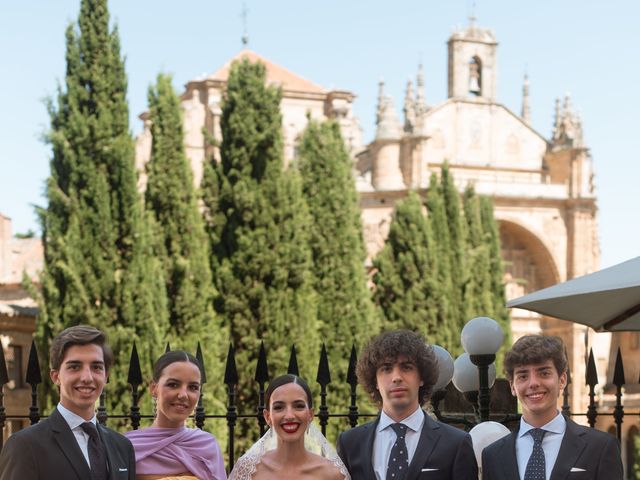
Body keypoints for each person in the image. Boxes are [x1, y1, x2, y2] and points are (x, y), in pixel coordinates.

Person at [337, 329, 478, 480]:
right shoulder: (350, 443)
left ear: (422, 377)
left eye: (406, 367)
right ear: (375, 381)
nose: (397, 377)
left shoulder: (455, 443)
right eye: (386, 368)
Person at [0, 325, 136, 479]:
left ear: (106, 377)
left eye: (96, 367)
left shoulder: (123, 447)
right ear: (55, 376)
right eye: (75, 367)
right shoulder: (25, 446)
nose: (87, 377)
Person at [481, 335, 623, 480]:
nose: (533, 383)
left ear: (562, 380)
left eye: (544, 373)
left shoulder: (600, 448)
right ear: (512, 386)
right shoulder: (492, 456)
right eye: (523, 376)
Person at [125, 350, 226, 480]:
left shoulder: (207, 446)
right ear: (153, 388)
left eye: (193, 387)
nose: (183, 395)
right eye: (173, 385)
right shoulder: (127, 447)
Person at [229, 374, 349, 480]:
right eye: (279, 407)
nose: (289, 416)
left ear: (310, 415)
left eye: (299, 406)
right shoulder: (248, 472)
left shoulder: (333, 474)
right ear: (267, 417)